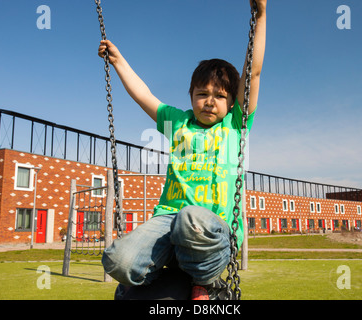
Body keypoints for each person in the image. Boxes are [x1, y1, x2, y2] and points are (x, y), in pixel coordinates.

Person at [99, 0, 267, 300]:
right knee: (117, 260)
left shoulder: (235, 125)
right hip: (168, 221)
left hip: (212, 230)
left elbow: (252, 74)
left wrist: (261, 15)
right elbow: (143, 96)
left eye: (219, 95)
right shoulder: (177, 123)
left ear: (231, 103)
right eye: (202, 94)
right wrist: (118, 61)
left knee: (191, 217)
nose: (209, 101)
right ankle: (144, 278)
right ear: (191, 96)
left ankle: (205, 280)